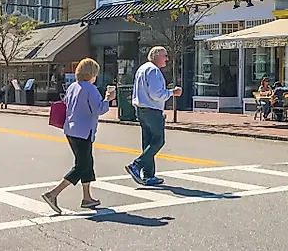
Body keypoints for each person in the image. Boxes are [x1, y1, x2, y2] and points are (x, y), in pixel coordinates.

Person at [41, 58, 114, 215]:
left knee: (86, 163)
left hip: (71, 130)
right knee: (82, 166)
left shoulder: (73, 87)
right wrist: (108, 99)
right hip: (84, 131)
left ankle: (87, 197)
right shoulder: (91, 89)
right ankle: (53, 194)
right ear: (92, 74)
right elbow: (99, 109)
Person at [125, 46, 182, 186]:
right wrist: (172, 92)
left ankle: (148, 175)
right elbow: (156, 94)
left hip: (141, 109)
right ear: (156, 55)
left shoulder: (143, 69)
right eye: (165, 55)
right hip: (151, 109)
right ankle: (136, 165)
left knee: (148, 142)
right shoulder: (153, 71)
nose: (167, 59)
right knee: (158, 141)